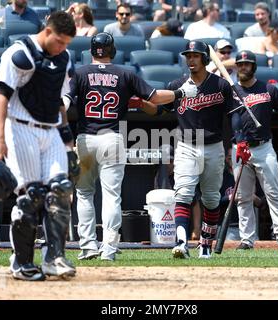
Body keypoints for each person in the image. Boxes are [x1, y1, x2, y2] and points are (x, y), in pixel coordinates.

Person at [64, 32, 197, 261]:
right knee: (111, 196)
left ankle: (87, 246)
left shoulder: (79, 73)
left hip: (86, 138)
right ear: (112, 50)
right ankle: (108, 247)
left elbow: (64, 103)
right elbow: (154, 98)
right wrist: (180, 92)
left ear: (91, 51)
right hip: (112, 138)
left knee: (84, 193)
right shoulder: (125, 73)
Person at [0, 11, 77, 281]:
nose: (62, 47)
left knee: (61, 191)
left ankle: (54, 258)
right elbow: (2, 95)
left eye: (67, 43)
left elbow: (57, 101)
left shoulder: (64, 58)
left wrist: (68, 139)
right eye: (60, 41)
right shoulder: (20, 53)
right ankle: (21, 262)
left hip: (50, 130)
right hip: (20, 127)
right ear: (48, 31)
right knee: (30, 196)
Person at [144, 40, 242, 259]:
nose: (191, 59)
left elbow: (234, 114)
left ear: (205, 59)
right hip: (187, 146)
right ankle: (180, 243)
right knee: (183, 194)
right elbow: (158, 111)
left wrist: (238, 140)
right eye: (188, 55)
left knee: (210, 199)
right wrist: (143, 103)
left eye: (195, 55)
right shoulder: (177, 85)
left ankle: (205, 245)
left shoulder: (221, 85)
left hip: (214, 146)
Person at [231, 50, 278, 250]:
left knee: (273, 193)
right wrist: (237, 143)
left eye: (246, 64)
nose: (243, 67)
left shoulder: (268, 89)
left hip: (263, 147)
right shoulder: (231, 90)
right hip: (239, 148)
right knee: (243, 197)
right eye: (239, 64)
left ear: (253, 66)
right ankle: (247, 239)